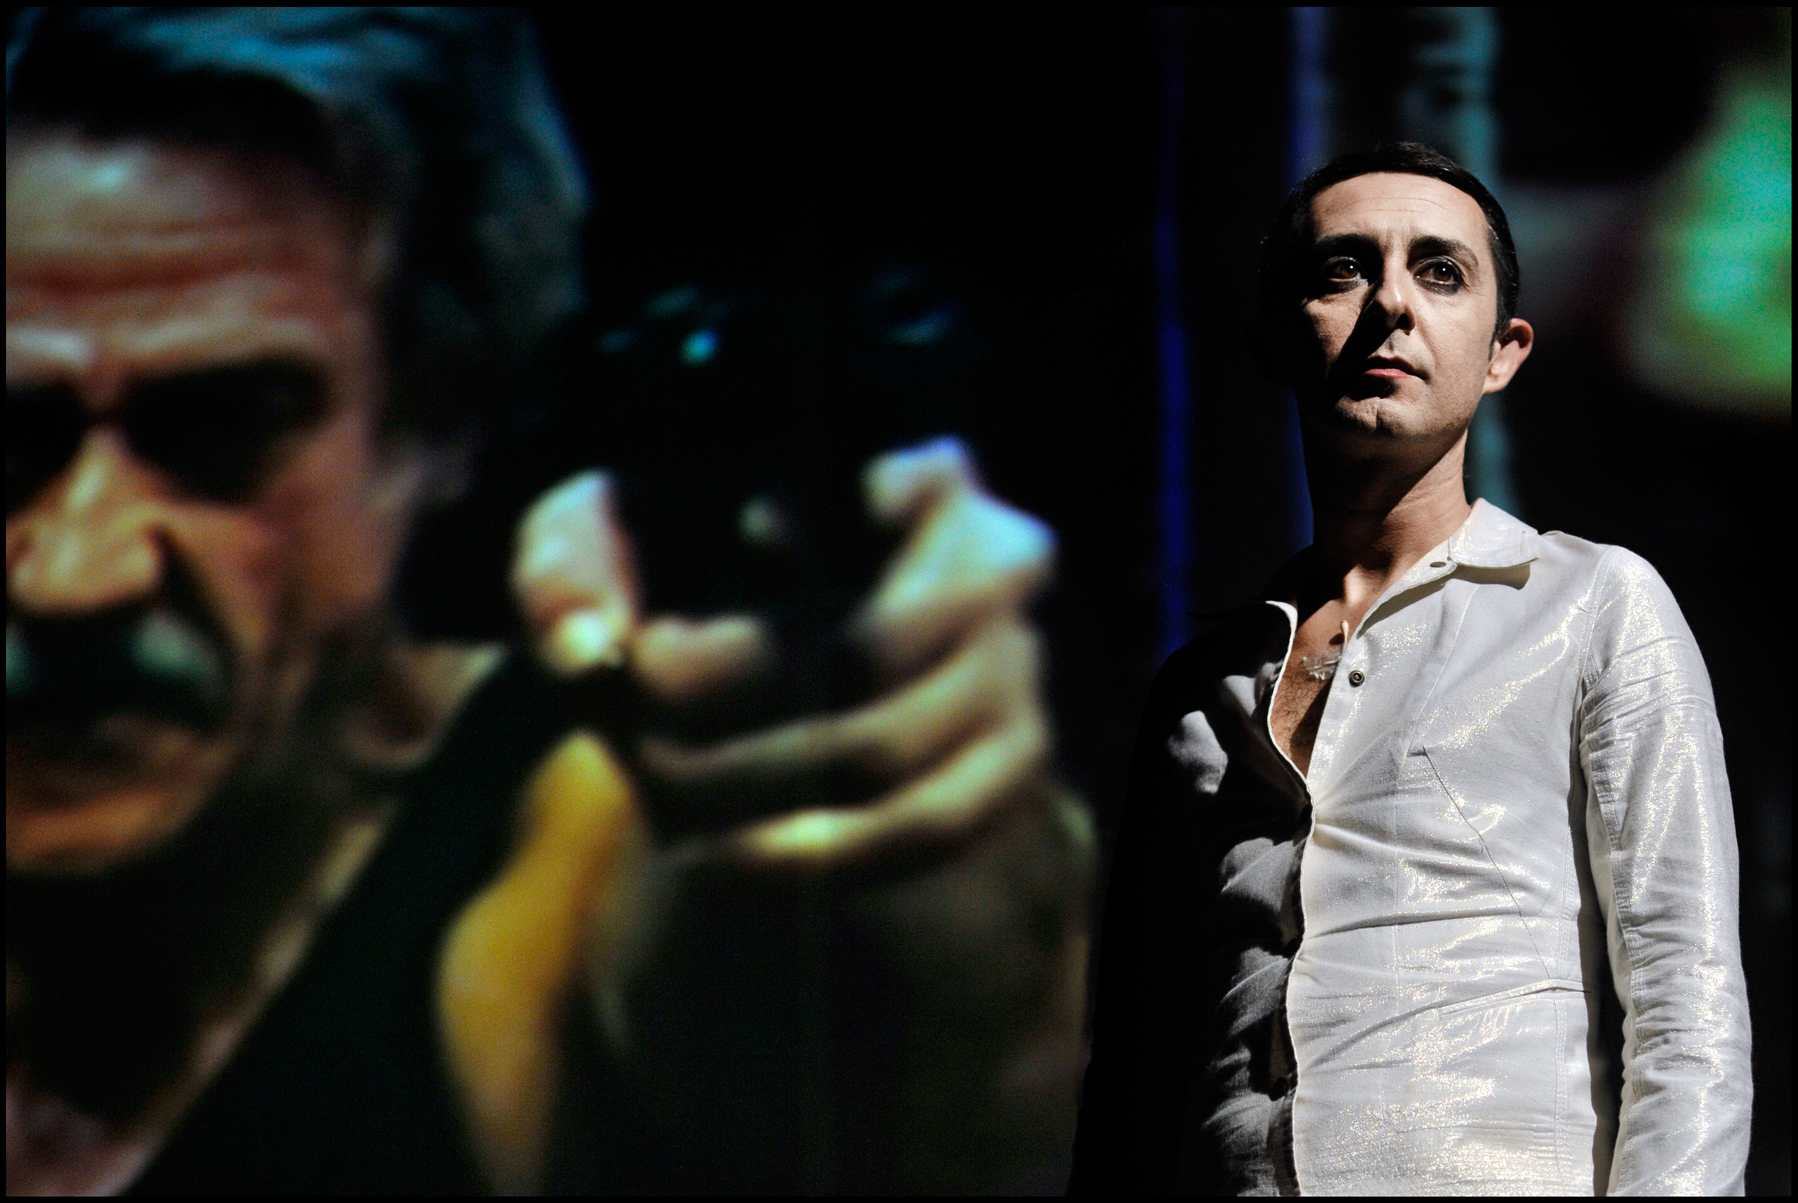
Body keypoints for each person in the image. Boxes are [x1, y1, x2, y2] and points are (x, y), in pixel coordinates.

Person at [5, 9, 1090, 1194]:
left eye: (222, 428)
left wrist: (908, 823)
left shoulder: (551, 847)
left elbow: (879, 1054)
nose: (74, 577)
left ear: (436, 419)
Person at [1071, 143, 1752, 1195]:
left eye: (1440, 272)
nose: (1391, 302)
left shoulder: (1593, 605)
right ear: (1273, 339)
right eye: (1344, 268)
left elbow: (1686, 996)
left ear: (1503, 351)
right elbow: (1135, 1067)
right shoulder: (1200, 689)